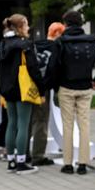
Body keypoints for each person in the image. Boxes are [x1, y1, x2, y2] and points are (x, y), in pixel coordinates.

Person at [56, 11, 95, 174]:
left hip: (66, 87)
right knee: (84, 126)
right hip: (85, 87)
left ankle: (68, 164)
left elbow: (54, 65)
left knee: (67, 126)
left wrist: (55, 84)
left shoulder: (61, 42)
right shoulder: (91, 41)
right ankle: (83, 164)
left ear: (66, 24)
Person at [0, 14, 43, 175]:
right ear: (20, 26)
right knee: (23, 124)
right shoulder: (25, 45)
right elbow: (33, 69)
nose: (28, 27)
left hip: (7, 89)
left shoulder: (2, 45)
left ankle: (11, 161)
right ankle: (22, 162)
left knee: (12, 123)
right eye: (26, 24)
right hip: (22, 88)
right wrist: (41, 88)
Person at [29, 22, 63, 167]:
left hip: (30, 87)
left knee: (29, 121)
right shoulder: (57, 47)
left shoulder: (35, 45)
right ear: (57, 34)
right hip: (44, 89)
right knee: (41, 121)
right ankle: (37, 156)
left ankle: (23, 153)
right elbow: (55, 69)